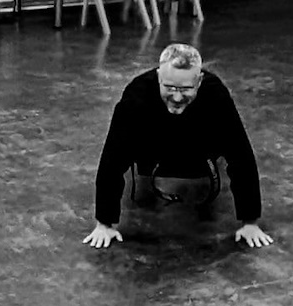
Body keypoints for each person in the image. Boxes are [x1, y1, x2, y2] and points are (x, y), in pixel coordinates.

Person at [84, 44, 273, 251]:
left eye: (185, 89)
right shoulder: (136, 95)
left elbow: (241, 157)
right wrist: (104, 223)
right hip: (151, 156)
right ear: (158, 77)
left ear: (199, 81)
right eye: (170, 87)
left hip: (200, 157)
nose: (176, 97)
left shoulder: (215, 94)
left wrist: (250, 222)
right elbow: (112, 159)